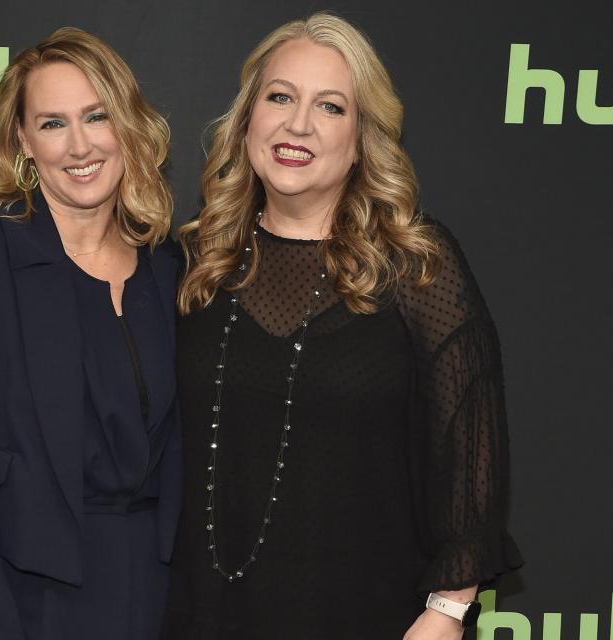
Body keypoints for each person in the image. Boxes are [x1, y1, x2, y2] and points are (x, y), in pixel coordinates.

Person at [162, 13, 523, 640]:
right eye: (280, 97)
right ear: (248, 117)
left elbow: (470, 456)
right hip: (203, 619)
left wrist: (445, 613)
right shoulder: (196, 262)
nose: (297, 124)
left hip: (367, 618)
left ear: (362, 138)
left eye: (330, 107)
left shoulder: (416, 268)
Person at [0, 27, 181, 640]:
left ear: (128, 126)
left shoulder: (167, 267)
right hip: (11, 592)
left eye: (96, 116)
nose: (79, 145)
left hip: (144, 596)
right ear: (22, 139)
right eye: (52, 123)